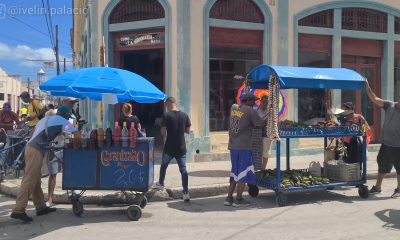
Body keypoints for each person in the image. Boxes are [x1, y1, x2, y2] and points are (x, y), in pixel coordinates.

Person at [10, 106, 77, 222]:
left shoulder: (44, 120)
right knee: (30, 179)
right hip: (36, 150)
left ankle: (40, 207)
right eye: (68, 116)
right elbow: (75, 133)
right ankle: (18, 210)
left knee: (35, 179)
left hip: (30, 148)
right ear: (64, 115)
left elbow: (33, 134)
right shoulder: (60, 120)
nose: (68, 119)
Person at [225, 93, 264, 207]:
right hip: (243, 147)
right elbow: (260, 124)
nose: (255, 103)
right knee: (243, 172)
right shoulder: (250, 111)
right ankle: (239, 199)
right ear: (249, 101)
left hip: (233, 146)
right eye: (254, 101)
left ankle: (228, 198)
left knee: (235, 172)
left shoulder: (235, 110)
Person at [365, 80, 400, 198]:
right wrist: (368, 87)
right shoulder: (390, 105)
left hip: (399, 146)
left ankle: (399, 189)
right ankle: (377, 187)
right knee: (382, 165)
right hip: (386, 144)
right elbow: (375, 99)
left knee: (399, 168)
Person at [154, 97, 191, 202]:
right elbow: (188, 130)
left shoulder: (166, 115)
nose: (166, 107)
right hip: (181, 147)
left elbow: (163, 133)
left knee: (164, 165)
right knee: (183, 170)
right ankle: (186, 192)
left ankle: (161, 183)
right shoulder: (184, 115)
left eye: (166, 105)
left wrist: (161, 129)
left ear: (170, 104)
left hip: (169, 147)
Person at [256, 95, 272, 169]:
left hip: (266, 133)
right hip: (256, 133)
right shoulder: (255, 110)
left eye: (266, 102)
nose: (265, 103)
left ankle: (263, 168)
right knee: (257, 151)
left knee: (265, 152)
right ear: (260, 101)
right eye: (264, 102)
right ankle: (257, 166)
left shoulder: (270, 112)